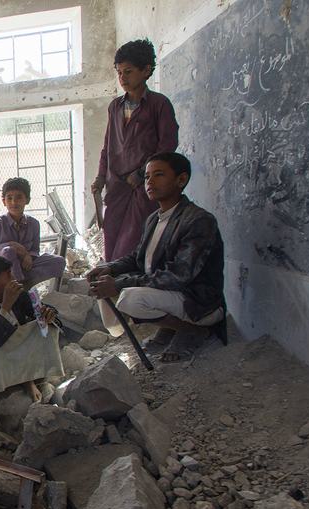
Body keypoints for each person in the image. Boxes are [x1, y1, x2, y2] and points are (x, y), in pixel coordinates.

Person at [87, 152, 224, 362]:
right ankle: (170, 329)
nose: (149, 181)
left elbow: (178, 276)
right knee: (108, 283)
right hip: (170, 294)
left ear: (181, 179)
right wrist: (111, 269)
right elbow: (138, 258)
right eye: (147, 176)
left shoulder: (198, 220)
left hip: (197, 301)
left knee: (130, 299)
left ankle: (193, 330)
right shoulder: (154, 218)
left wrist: (119, 283)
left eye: (158, 175)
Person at [94, 39, 179, 261]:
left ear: (146, 70)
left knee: (133, 243)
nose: (122, 78)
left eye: (128, 72)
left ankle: (129, 291)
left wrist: (142, 174)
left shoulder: (159, 105)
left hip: (142, 186)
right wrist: (101, 177)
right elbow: (108, 146)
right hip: (116, 186)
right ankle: (112, 291)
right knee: (111, 241)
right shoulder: (115, 107)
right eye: (119, 72)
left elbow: (167, 146)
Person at [0, 255, 63, 401]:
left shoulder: (20, 294)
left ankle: (28, 380)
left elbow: (43, 313)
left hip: (16, 346)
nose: (14, 278)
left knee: (47, 328)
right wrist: (5, 307)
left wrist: (48, 314)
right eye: (9, 275)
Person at [0, 177, 66, 287]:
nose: (14, 202)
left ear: (27, 199)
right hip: (4, 272)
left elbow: (35, 251)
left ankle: (24, 284)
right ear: (3, 201)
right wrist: (11, 246)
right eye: (9, 198)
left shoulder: (34, 224)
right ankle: (18, 287)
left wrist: (27, 255)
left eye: (19, 197)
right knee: (8, 251)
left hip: (26, 268)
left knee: (59, 261)